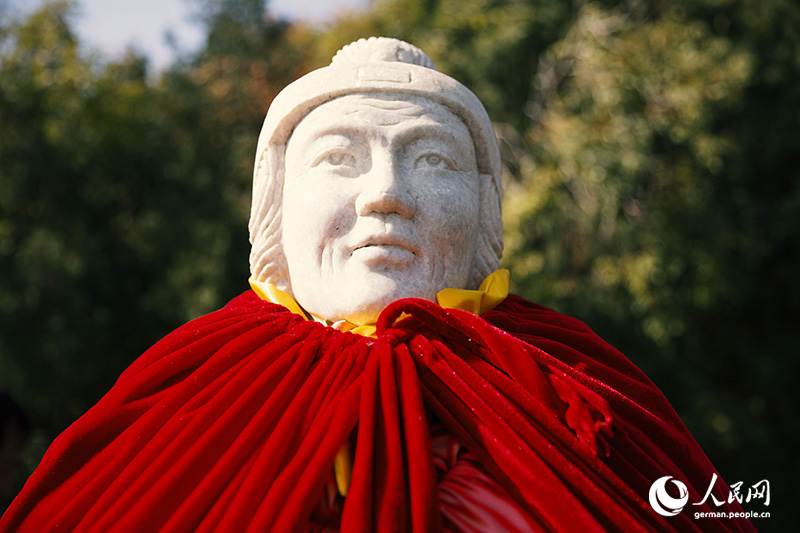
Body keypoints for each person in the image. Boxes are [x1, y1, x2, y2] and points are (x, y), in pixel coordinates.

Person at [1, 38, 754, 532]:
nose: (385, 194)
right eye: (339, 158)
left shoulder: (578, 382)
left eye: (432, 161)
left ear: (488, 210)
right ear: (274, 205)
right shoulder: (179, 399)